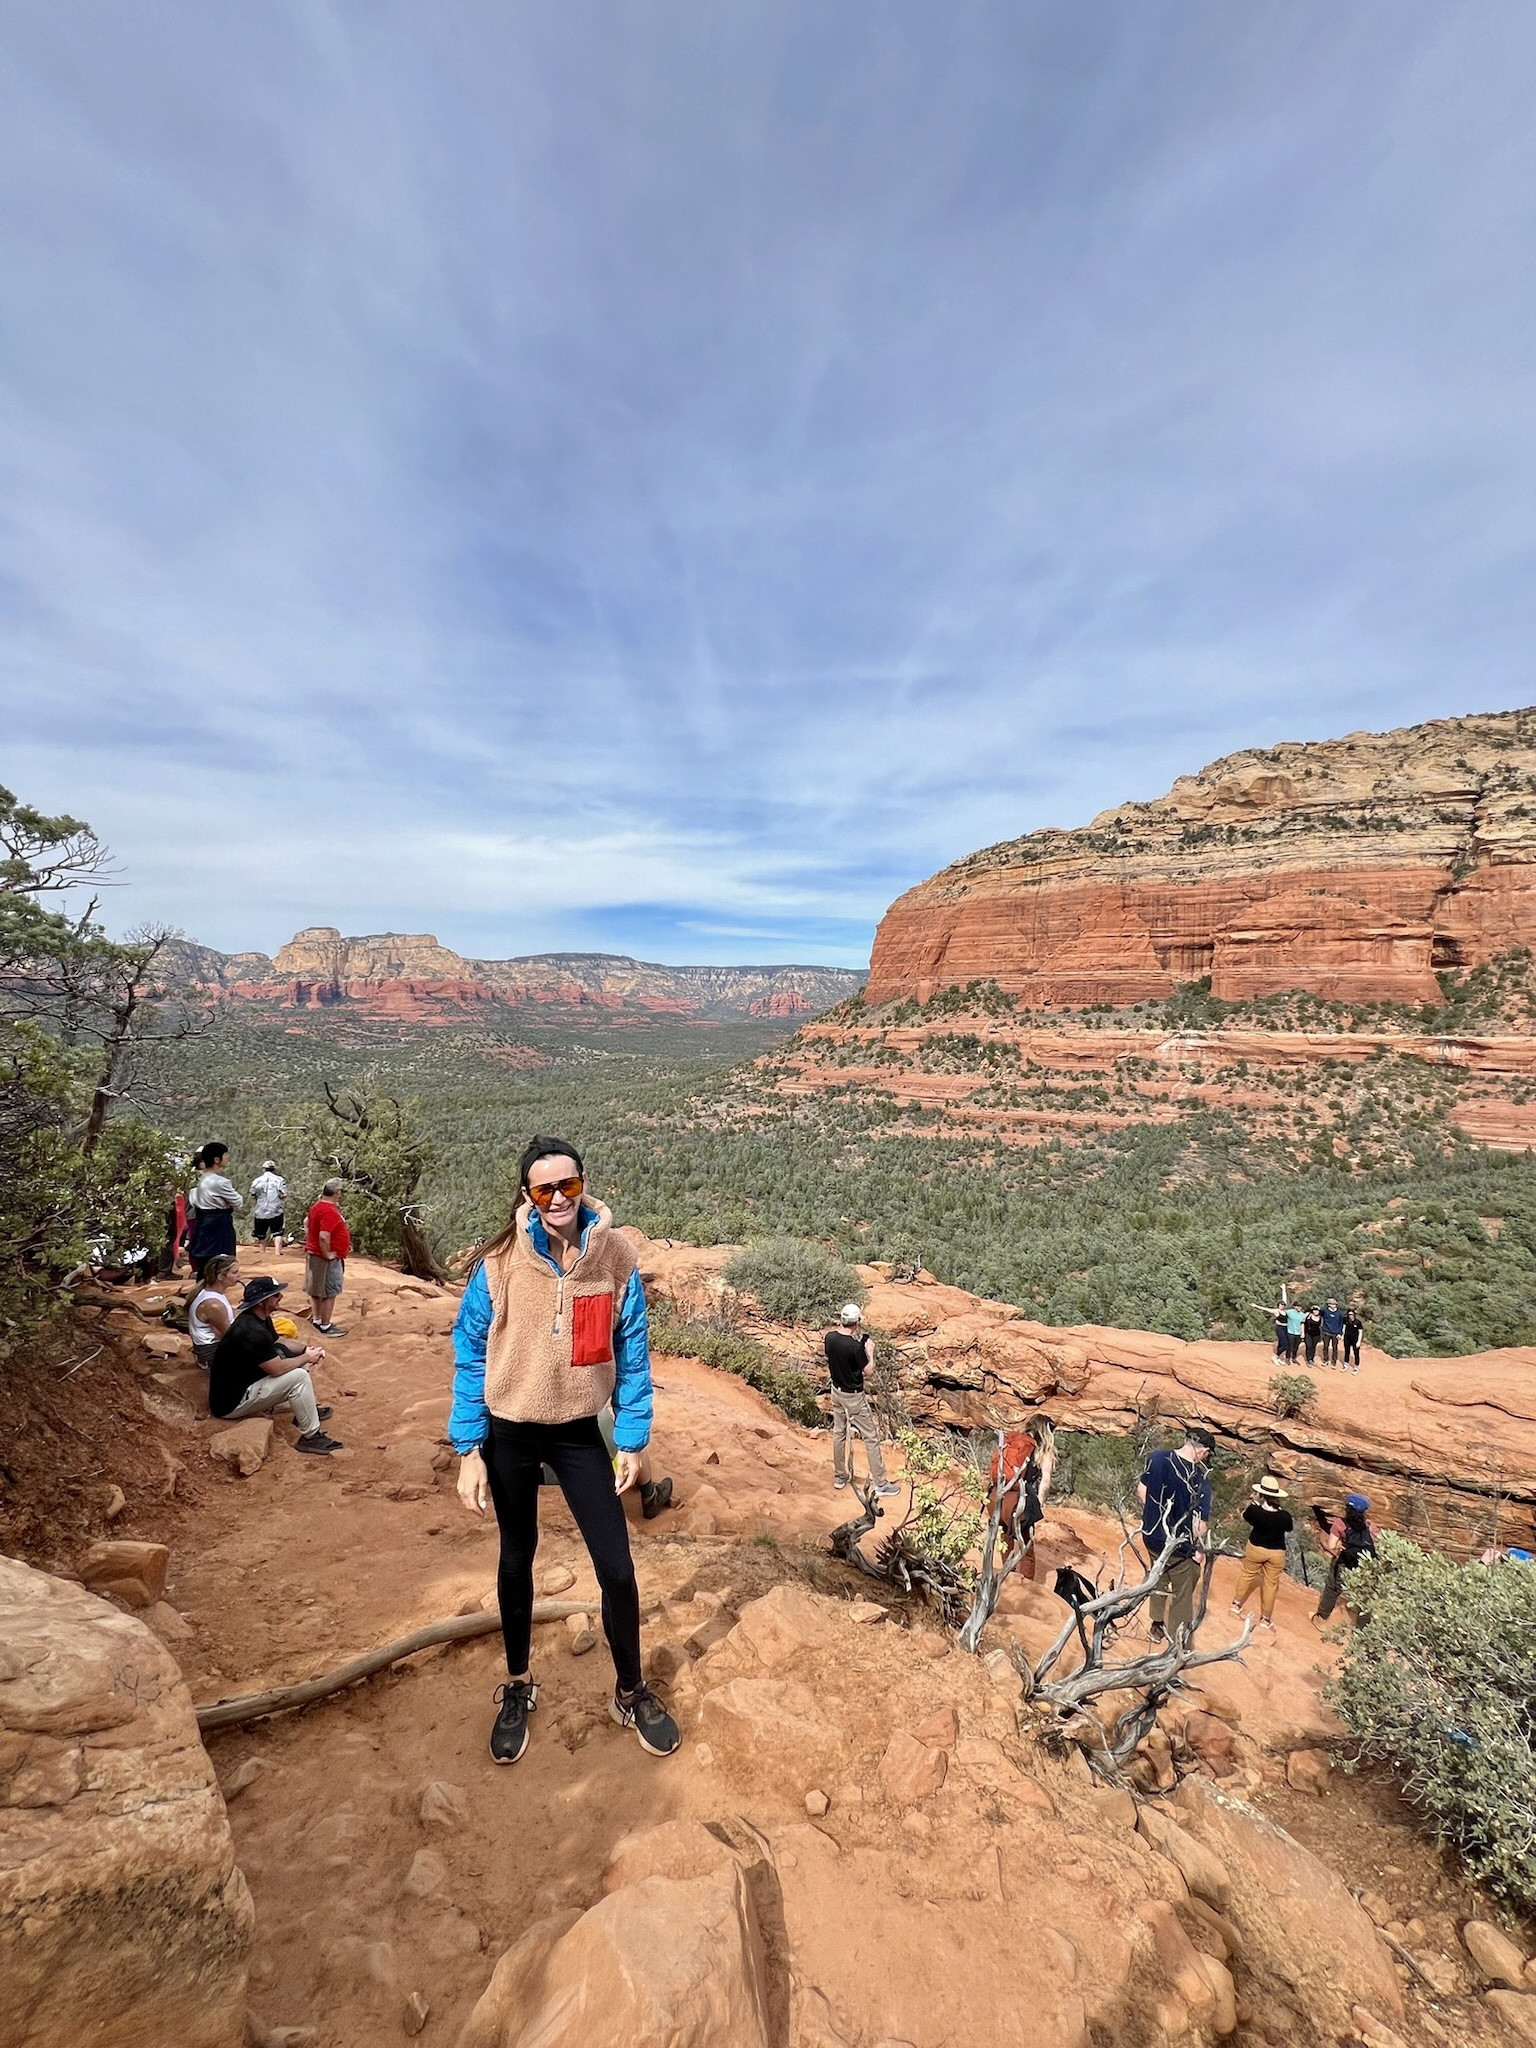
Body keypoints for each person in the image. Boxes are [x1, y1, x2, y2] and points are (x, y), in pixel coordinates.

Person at [449, 1136, 680, 1766]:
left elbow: (632, 1351)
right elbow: (470, 1351)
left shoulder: (615, 1257)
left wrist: (632, 1437)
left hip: (580, 1429)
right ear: (527, 1195)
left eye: (567, 1186)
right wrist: (469, 1447)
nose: (557, 1198)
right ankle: (519, 1684)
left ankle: (630, 1691)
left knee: (617, 1568)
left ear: (584, 1185)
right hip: (510, 1429)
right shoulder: (498, 1263)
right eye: (544, 1188)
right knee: (516, 1555)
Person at [206, 1276, 341, 1454]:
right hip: (231, 1404)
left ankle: (305, 1413)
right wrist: (307, 1357)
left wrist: (307, 1349)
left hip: (244, 1386)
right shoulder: (251, 1331)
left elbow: (279, 1341)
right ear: (263, 1302)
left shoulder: (259, 1318)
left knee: (298, 1361)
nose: (280, 1298)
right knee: (299, 1376)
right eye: (276, 1295)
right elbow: (276, 1370)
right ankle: (311, 1436)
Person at [1137, 1427, 1214, 1643]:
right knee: (1184, 1586)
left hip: (1151, 1534)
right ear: (1203, 1451)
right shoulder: (1200, 1480)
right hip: (1178, 1544)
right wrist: (1198, 1549)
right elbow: (1199, 1526)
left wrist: (1155, 1514)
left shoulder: (1157, 1457)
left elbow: (1142, 1491)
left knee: (1158, 1577)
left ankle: (1156, 1625)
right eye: (1208, 1454)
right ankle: (1178, 1639)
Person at [823, 1303, 898, 1496]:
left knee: (839, 1432)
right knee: (871, 1437)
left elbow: (839, 1355)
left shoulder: (830, 1338)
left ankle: (840, 1476)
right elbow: (868, 1371)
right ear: (856, 1322)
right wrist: (869, 1353)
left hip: (836, 1392)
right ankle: (881, 1483)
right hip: (853, 1397)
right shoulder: (855, 1348)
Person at [987, 1415, 1056, 1580]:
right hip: (1019, 1501)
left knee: (1005, 1539)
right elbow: (1045, 1481)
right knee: (1026, 1546)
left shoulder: (1014, 1443)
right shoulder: (1042, 1451)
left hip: (997, 1496)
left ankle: (1006, 1577)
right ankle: (1025, 1586)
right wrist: (1038, 1503)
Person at [1229, 1475, 1294, 1630]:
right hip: (1276, 1552)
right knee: (1271, 1585)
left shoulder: (1254, 1511)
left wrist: (1255, 1502)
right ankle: (1265, 1619)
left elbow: (1245, 1516)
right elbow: (1289, 1528)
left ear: (1261, 1495)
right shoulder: (1284, 1516)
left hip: (1256, 1548)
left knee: (1247, 1575)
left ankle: (1236, 1605)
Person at [1314, 1493, 1377, 1622]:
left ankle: (1321, 1618)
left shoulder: (1340, 1524)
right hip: (1365, 1566)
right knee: (1365, 1596)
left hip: (1344, 1563)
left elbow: (1331, 1545)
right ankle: (1363, 1630)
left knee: (1332, 1589)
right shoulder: (1371, 1526)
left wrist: (1339, 1546)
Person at [186, 1143, 242, 1281]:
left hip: (202, 1221)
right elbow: (238, 1202)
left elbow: (192, 1200)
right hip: (219, 1224)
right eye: (225, 1155)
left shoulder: (199, 1178)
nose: (228, 1157)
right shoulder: (221, 1182)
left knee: (204, 1262)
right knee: (220, 1262)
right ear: (217, 1160)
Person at [305, 1179, 351, 1336]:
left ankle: (317, 1320)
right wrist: (326, 1253)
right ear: (337, 1192)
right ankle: (325, 1325)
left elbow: (306, 1223)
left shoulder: (317, 1206)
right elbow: (324, 1236)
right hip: (325, 1258)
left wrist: (311, 1241)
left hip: (315, 1254)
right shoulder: (329, 1210)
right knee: (330, 1291)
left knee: (316, 1289)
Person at [188, 1251, 240, 1368]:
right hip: (212, 1352)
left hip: (211, 1348)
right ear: (221, 1276)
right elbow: (227, 1335)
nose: (239, 1276)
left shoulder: (211, 1293)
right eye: (235, 1272)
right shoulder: (213, 1305)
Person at [250, 1161, 288, 1257]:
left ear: (263, 1169)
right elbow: (283, 1194)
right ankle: (277, 1252)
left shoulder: (256, 1181)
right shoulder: (279, 1180)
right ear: (274, 1169)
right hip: (276, 1210)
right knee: (278, 1232)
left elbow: (252, 1194)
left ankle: (263, 1253)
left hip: (260, 1211)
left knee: (261, 1234)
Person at [1320, 1297, 1345, 1368]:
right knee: (1325, 1347)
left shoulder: (1339, 1313)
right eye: (1331, 1304)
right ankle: (1325, 1360)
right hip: (1326, 1332)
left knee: (1335, 1348)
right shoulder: (1324, 1311)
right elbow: (1318, 1315)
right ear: (1328, 1304)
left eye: (1334, 1304)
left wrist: (1340, 1333)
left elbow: (1341, 1324)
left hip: (1336, 1333)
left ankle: (1334, 1362)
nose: (1333, 1305)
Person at [1342, 1305, 1363, 1373]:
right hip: (1347, 1338)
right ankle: (1345, 1365)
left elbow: (1360, 1332)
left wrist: (1359, 1341)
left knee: (1356, 1353)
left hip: (1355, 1339)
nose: (1350, 1316)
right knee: (1347, 1352)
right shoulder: (1346, 1320)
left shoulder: (1358, 1322)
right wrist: (1342, 1335)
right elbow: (1344, 1328)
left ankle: (1356, 1367)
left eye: (1352, 1314)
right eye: (1349, 1314)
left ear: (1354, 1315)